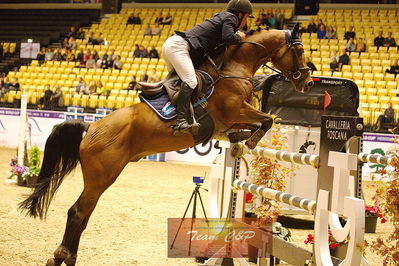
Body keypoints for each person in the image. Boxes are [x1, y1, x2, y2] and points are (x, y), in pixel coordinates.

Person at [162, 0, 252, 134]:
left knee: (179, 84)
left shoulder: (222, 17)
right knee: (190, 81)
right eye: (247, 17)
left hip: (172, 44)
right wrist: (239, 36)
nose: (246, 22)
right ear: (240, 15)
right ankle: (181, 122)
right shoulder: (230, 17)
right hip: (179, 47)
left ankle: (170, 114)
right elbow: (228, 38)